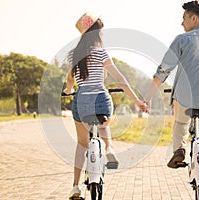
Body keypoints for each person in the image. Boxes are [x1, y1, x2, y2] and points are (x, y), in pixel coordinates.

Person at [143, 1, 199, 199]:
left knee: (180, 124)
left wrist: (148, 97)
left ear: (194, 18)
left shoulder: (182, 40)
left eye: (184, 18)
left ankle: (179, 151)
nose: (181, 22)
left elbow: (163, 71)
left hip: (184, 100)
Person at [64, 13, 147, 198]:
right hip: (101, 98)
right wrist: (137, 102)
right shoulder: (101, 52)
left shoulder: (73, 55)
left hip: (82, 101)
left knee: (81, 143)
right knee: (103, 123)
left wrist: (69, 90)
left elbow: (70, 80)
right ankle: (109, 147)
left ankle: (75, 186)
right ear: (96, 33)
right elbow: (120, 79)